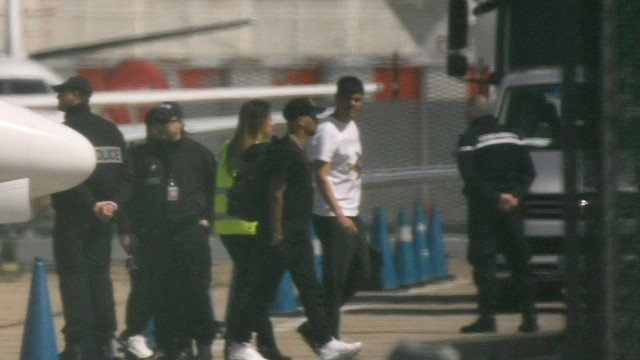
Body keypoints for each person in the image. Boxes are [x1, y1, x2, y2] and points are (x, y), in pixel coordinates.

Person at [262, 97, 363, 360]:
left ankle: (327, 342)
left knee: (311, 291)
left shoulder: (299, 149)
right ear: (299, 120)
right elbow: (277, 192)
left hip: (298, 233)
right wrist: (276, 232)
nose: (317, 120)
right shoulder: (286, 149)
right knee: (262, 293)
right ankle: (240, 342)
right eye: (312, 116)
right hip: (284, 234)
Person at [118, 102, 218, 359]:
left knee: (195, 290)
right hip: (153, 237)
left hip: (189, 233)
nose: (163, 127)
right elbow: (127, 195)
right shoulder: (139, 156)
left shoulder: (199, 154)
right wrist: (126, 229)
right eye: (157, 123)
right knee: (162, 291)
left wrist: (207, 220)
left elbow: (212, 190)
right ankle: (171, 345)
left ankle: (203, 342)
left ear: (180, 123)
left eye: (169, 121)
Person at [51, 75, 133, 360]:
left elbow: (67, 177)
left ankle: (77, 344)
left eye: (62, 94)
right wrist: (112, 205)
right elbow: (126, 176)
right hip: (104, 220)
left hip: (73, 218)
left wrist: (91, 205)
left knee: (74, 278)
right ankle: (103, 340)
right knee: (99, 277)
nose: (58, 98)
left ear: (75, 96)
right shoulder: (111, 130)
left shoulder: (64, 133)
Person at [455, 96, 538, 333]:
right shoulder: (513, 136)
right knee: (520, 263)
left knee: (485, 265)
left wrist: (496, 198)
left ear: (471, 115)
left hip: (484, 213)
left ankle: (487, 319)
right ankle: (530, 318)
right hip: (513, 210)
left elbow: (470, 178)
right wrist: (514, 196)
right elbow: (529, 173)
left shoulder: (469, 140)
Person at [216, 99, 285, 360]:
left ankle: (263, 345)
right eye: (269, 119)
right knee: (252, 291)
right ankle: (240, 343)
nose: (273, 123)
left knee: (247, 287)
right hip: (250, 228)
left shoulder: (226, 148)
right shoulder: (262, 152)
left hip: (226, 227)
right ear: (259, 124)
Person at [308, 76, 372, 340]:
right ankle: (328, 339)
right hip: (332, 214)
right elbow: (321, 174)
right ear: (337, 98)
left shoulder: (352, 127)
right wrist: (339, 214)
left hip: (351, 210)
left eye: (357, 99)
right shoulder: (328, 130)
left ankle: (318, 325)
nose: (352, 104)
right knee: (335, 279)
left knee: (362, 271)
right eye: (347, 99)